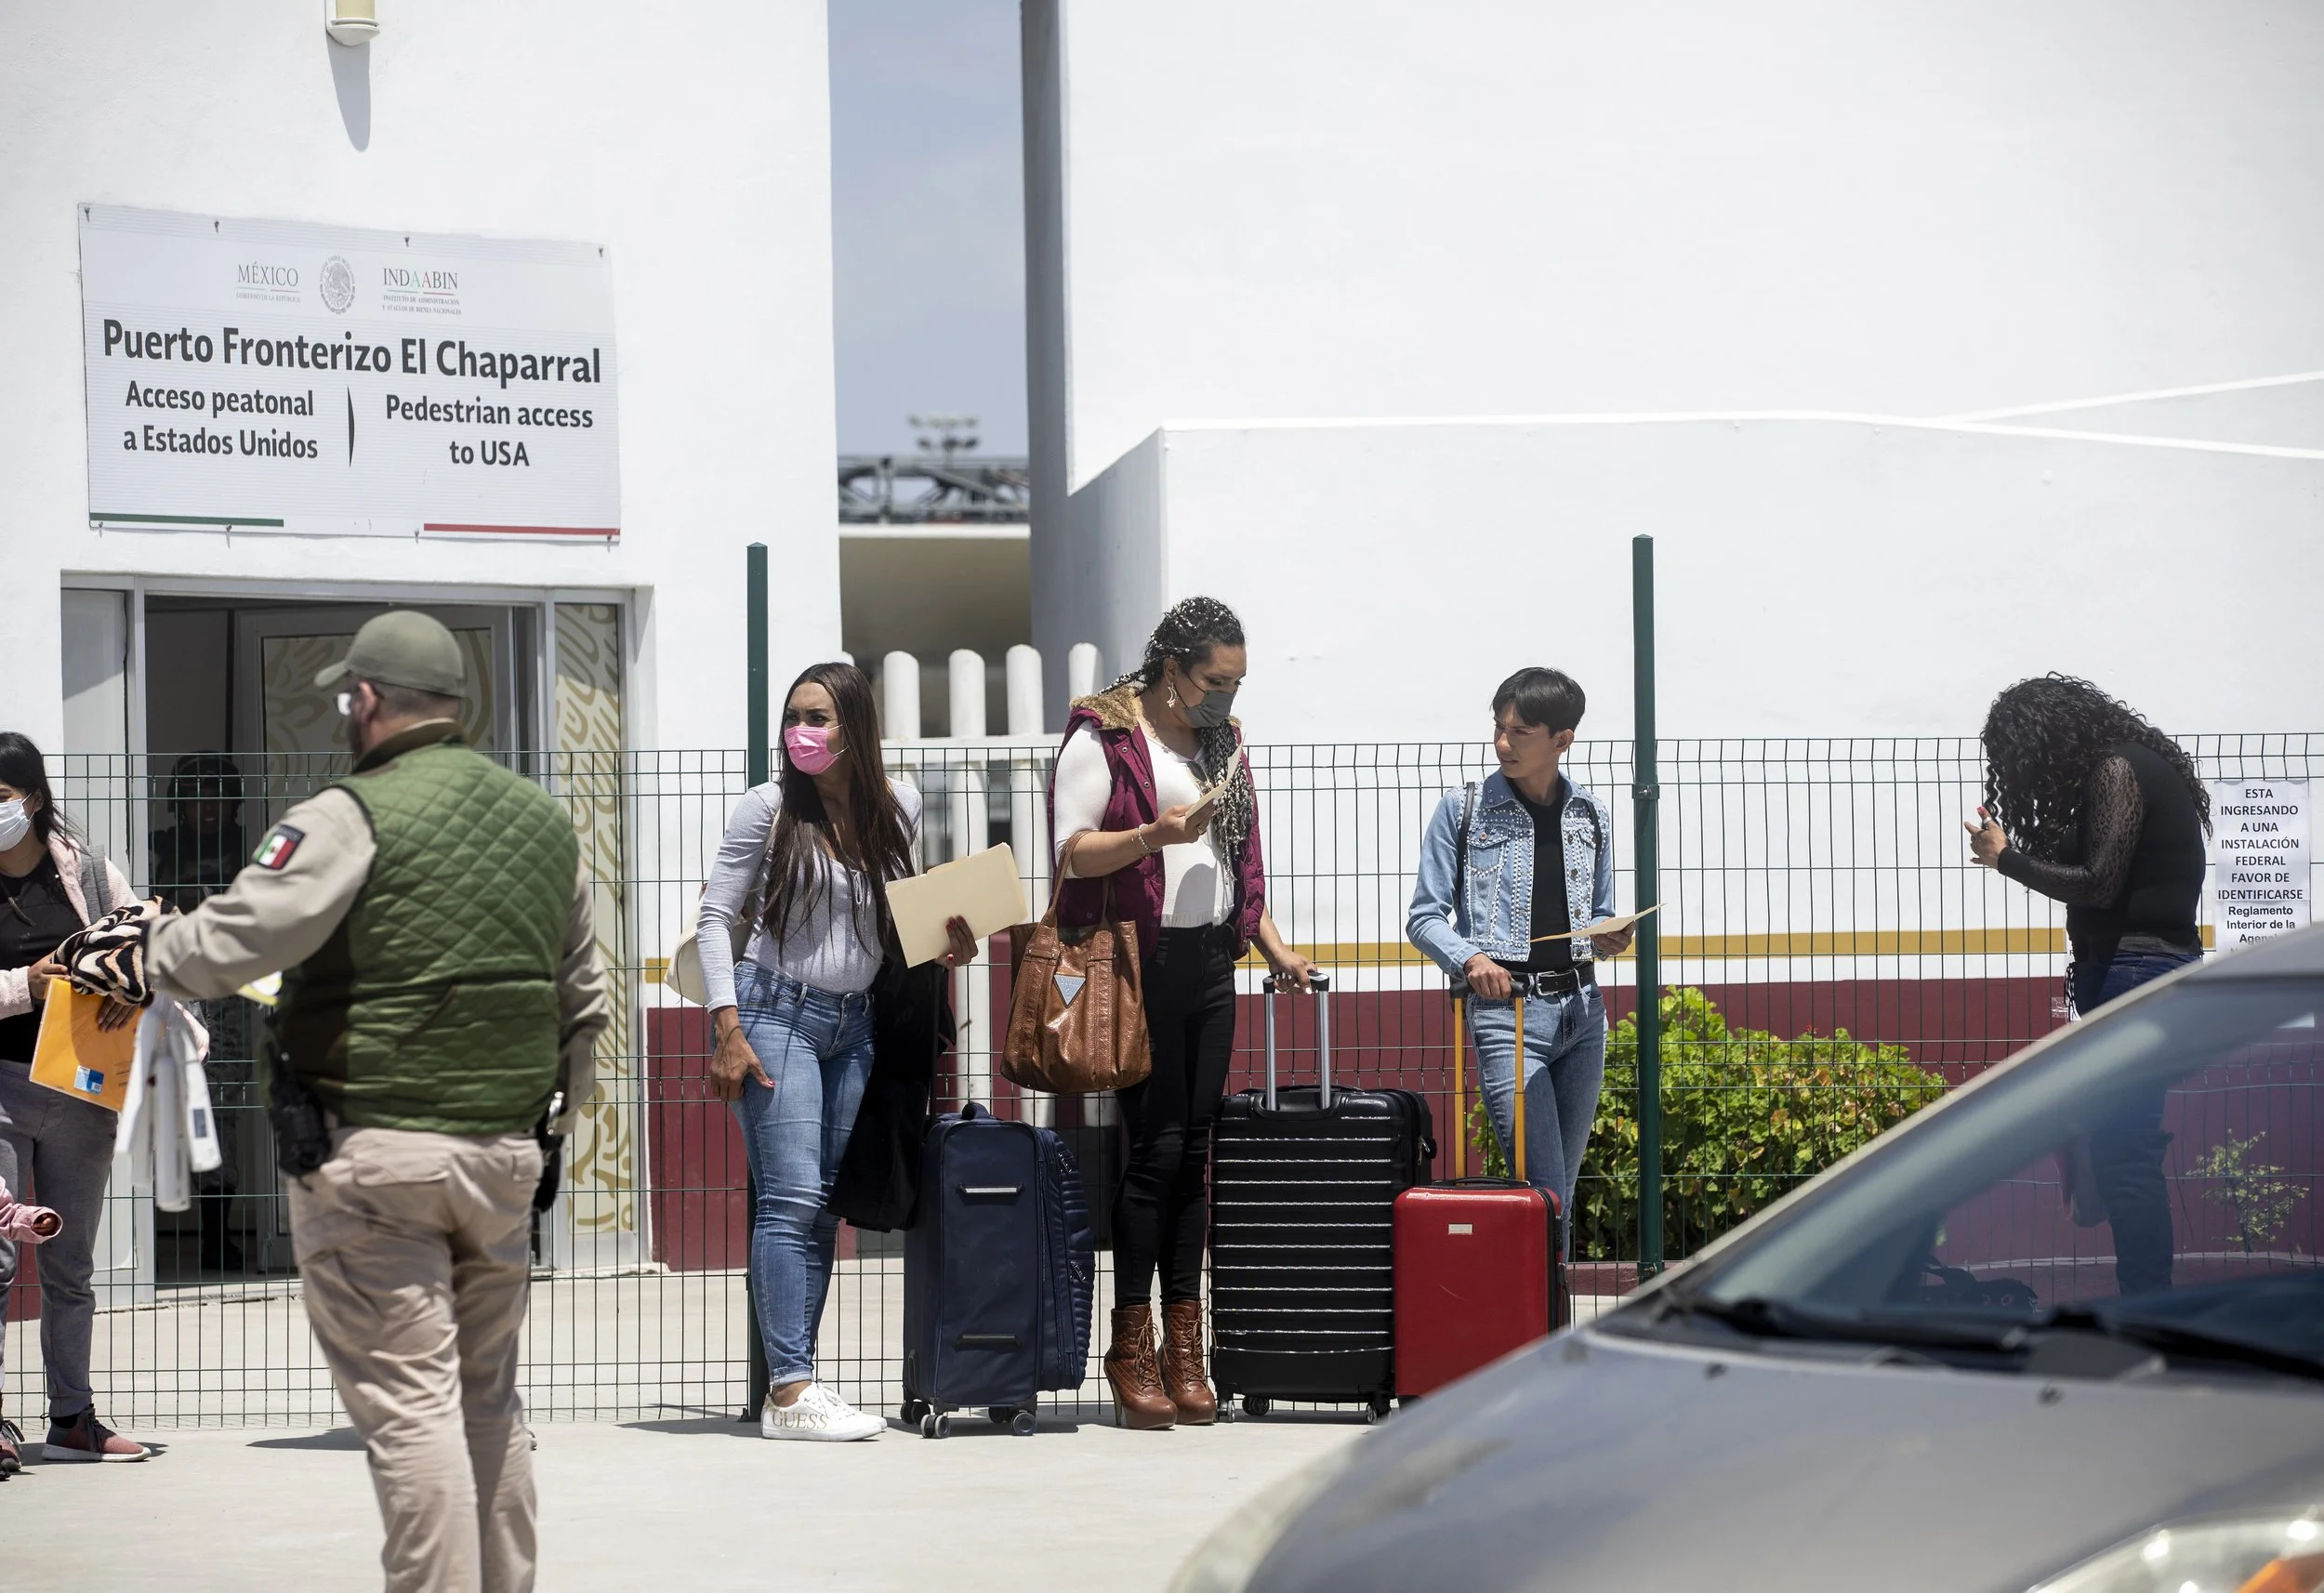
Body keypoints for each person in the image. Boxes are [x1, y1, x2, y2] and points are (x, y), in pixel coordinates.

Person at [61, 612, 610, 1593]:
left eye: (345, 701)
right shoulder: (543, 820)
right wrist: (552, 1122)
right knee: (487, 1402)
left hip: (375, 1160)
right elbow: (586, 998)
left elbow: (237, 938)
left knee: (413, 1413)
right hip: (505, 1159)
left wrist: (138, 955)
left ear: (364, 701)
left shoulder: (346, 813)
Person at [1048, 596, 1314, 1431]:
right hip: (1138, 960)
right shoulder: (1107, 735)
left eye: (1236, 682)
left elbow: (1238, 861)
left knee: (1198, 1150)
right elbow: (1070, 850)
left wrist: (1273, 946)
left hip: (1208, 962)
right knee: (1155, 1150)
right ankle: (1130, 1346)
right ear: (1172, 669)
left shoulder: (1224, 743)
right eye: (1213, 680)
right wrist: (1151, 838)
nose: (1226, 697)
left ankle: (1184, 1344)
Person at [697, 661, 973, 1442]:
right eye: (794, 717)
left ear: (855, 727)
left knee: (820, 1208)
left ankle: (800, 1381)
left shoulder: (900, 807)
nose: (801, 732)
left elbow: (895, 921)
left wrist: (947, 946)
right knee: (788, 1202)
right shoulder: (767, 809)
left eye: (818, 717)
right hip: (773, 1013)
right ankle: (788, 1393)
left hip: (854, 1025)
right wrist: (728, 1029)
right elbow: (716, 917)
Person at [1967, 673, 2209, 1297]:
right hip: (2130, 971)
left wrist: (2007, 859)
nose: (2025, 769)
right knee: (2121, 1149)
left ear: (2052, 734)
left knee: (2127, 1157)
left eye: (2025, 753)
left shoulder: (2119, 771)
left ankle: (2148, 1311)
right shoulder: (2126, 768)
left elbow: (2098, 883)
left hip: (2138, 972)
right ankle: (2147, 1302)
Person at [1406, 668, 1631, 1257]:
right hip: (1509, 1015)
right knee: (1546, 1190)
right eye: (1499, 729)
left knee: (1561, 1189)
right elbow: (1424, 918)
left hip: (1584, 1013)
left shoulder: (1591, 813)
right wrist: (1470, 957)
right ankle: (1547, 1331)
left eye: (1521, 731)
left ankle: (1544, 1320)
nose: (1503, 744)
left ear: (1563, 739)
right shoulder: (1463, 810)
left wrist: (1610, 936)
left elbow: (1598, 913)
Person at [0, 731, 148, 1471]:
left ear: (32, 797)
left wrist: (128, 985)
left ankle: (72, 1418)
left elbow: (142, 943)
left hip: (80, 1085)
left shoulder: (86, 873)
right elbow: (36, 980)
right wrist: (29, 982)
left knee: (70, 1261)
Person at [149, 751, 251, 1275]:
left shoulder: (251, 855)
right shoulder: (158, 853)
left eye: (218, 795)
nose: (208, 807)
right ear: (178, 805)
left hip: (233, 996)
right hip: (177, 992)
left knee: (225, 1110)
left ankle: (217, 1233)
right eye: (196, 796)